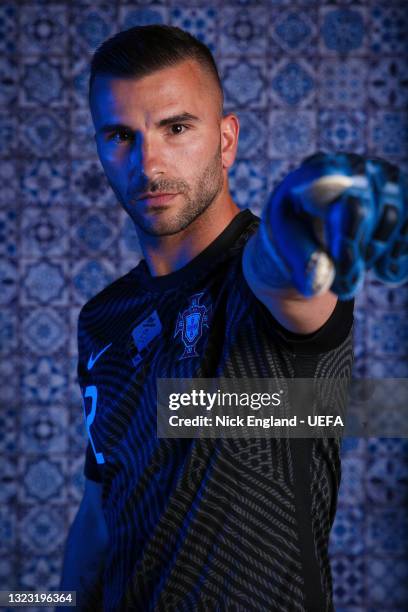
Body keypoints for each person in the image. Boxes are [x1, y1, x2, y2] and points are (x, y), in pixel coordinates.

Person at [59, 25, 407, 611]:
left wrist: (307, 211)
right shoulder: (103, 319)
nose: (148, 163)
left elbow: (284, 272)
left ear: (225, 140)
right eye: (121, 135)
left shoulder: (261, 274)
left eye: (176, 128)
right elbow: (97, 517)